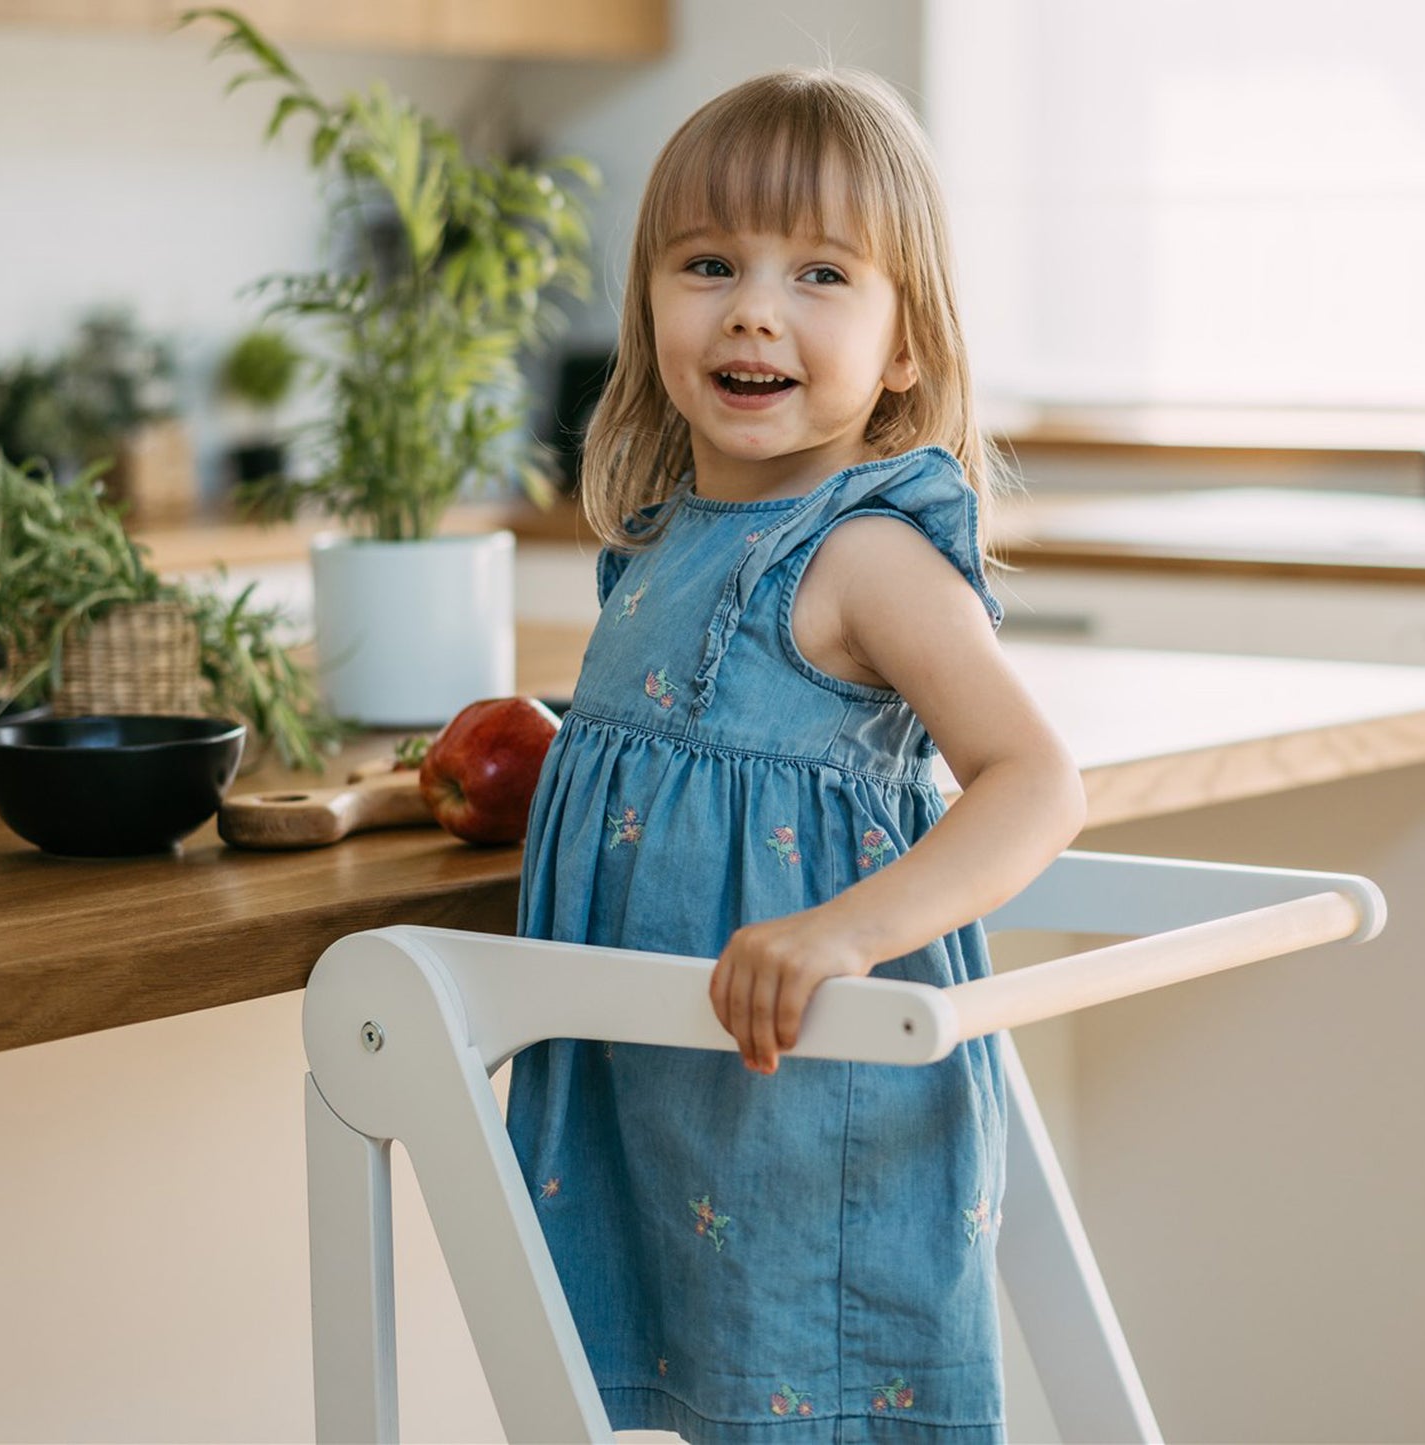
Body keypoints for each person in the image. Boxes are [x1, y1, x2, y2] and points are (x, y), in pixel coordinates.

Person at [505, 66, 1086, 1443]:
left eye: (819, 272)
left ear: (901, 346)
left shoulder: (865, 550)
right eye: (707, 263)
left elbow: (1034, 780)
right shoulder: (654, 540)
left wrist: (842, 929)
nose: (753, 306)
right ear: (648, 312)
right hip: (661, 1099)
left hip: (802, 1097)